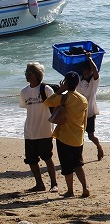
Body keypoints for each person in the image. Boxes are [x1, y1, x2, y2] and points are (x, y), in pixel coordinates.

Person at [44, 71, 89, 198]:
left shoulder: (64, 97)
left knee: (67, 166)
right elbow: (84, 120)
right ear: (77, 83)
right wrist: (82, 134)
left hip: (64, 136)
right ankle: (85, 187)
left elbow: (48, 102)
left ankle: (70, 191)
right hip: (78, 137)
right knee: (78, 164)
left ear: (65, 82)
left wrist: (60, 90)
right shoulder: (83, 99)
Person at [19, 62, 58, 193]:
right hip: (29, 131)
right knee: (31, 160)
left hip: (45, 131)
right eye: (26, 73)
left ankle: (54, 184)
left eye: (28, 73)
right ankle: (39, 184)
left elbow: (55, 107)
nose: (26, 75)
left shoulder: (46, 89)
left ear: (36, 75)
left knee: (48, 158)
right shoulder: (24, 91)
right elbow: (25, 107)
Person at [76, 52, 104, 160]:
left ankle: (99, 147)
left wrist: (90, 59)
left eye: (89, 70)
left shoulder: (94, 81)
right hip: (79, 112)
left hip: (90, 112)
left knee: (91, 136)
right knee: (79, 136)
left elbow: (96, 72)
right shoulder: (79, 79)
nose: (87, 72)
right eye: (85, 70)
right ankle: (79, 157)